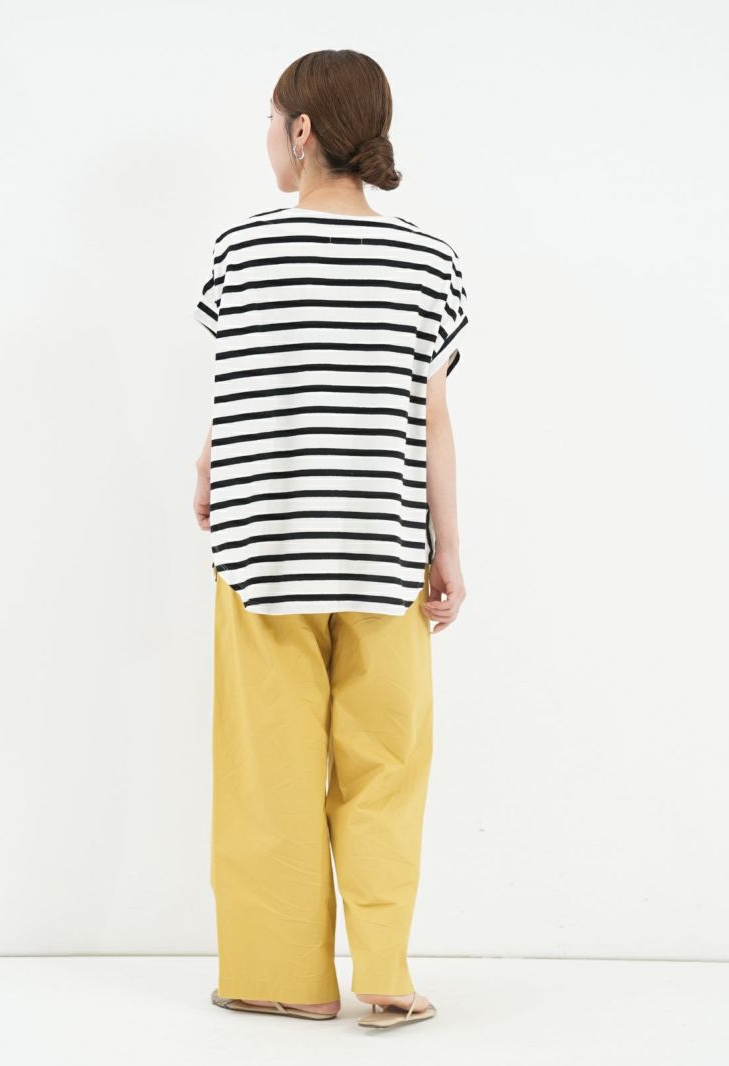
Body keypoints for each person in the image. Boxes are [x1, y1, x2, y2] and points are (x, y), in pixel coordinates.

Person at [192, 49, 468, 1030]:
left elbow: (246, 381)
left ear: (303, 130)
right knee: (384, 766)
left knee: (267, 766)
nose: (269, 140)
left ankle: (287, 978)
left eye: (273, 122)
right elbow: (431, 418)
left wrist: (209, 462)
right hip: (383, 553)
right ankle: (385, 972)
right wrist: (446, 548)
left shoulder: (242, 250)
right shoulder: (429, 263)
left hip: (265, 550)